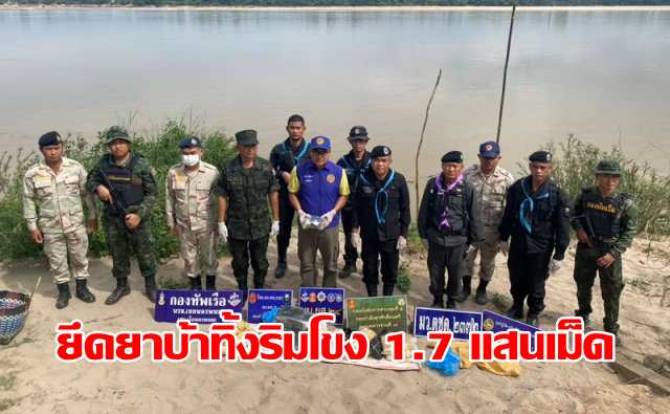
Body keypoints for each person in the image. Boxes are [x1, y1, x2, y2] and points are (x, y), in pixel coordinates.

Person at [22, 131, 97, 309]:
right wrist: (32, 226)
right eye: (49, 149)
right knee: (57, 260)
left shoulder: (75, 168)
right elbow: (28, 200)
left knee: (79, 256)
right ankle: (63, 292)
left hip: (75, 223)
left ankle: (82, 288)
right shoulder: (33, 174)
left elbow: (87, 194)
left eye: (57, 148)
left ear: (62, 148)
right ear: (41, 150)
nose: (53, 152)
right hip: (51, 225)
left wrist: (93, 216)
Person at [87, 126, 158, 305]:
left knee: (145, 253)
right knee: (117, 253)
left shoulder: (141, 164)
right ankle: (122, 286)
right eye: (113, 143)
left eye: (121, 142)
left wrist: (139, 216)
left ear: (128, 144)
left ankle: (151, 286)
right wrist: (98, 187)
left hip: (137, 217)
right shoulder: (103, 164)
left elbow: (152, 194)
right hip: (113, 217)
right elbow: (90, 180)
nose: (117, 146)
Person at [499, 151, 571, 326]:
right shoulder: (518, 187)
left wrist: (559, 254)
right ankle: (517, 306)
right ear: (530, 167)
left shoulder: (557, 193)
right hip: (519, 241)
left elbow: (563, 226)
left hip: (541, 245)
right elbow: (509, 214)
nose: (539, 171)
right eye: (535, 167)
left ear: (550, 169)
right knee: (516, 276)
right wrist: (503, 237)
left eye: (543, 168)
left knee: (536, 281)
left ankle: (533, 312)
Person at [572, 160, 637, 343]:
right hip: (587, 247)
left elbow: (629, 233)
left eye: (615, 177)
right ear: (597, 177)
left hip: (610, 252)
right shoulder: (585, 196)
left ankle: (610, 328)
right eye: (606, 176)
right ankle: (583, 314)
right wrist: (579, 229)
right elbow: (573, 214)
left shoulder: (626, 204)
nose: (610, 181)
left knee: (612, 291)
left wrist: (613, 254)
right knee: (582, 284)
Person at [217, 130, 280, 295]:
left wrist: (276, 220)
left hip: (260, 224)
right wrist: (221, 222)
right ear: (238, 147)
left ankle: (259, 289)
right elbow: (222, 195)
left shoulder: (266, 167)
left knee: (260, 262)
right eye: (246, 146)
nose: (250, 149)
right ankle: (242, 290)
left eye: (253, 146)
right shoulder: (228, 168)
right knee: (239, 262)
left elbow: (273, 192)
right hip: (236, 224)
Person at [418, 151, 483, 309]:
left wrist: (475, 241)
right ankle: (437, 300)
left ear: (461, 167)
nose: (451, 169)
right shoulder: (433, 185)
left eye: (454, 166)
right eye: (447, 166)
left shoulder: (467, 187)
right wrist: (423, 235)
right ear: (442, 166)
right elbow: (424, 211)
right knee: (436, 273)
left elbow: (475, 215)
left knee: (456, 274)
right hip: (436, 238)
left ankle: (452, 301)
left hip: (458, 241)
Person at [288, 136, 349, 287]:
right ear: (311, 152)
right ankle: (309, 292)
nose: (319, 156)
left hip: (329, 226)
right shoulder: (299, 170)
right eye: (316, 152)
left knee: (331, 264)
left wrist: (333, 212)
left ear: (329, 152)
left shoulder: (339, 172)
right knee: (307, 263)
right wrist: (300, 212)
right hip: (306, 225)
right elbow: (292, 193)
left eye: (323, 152)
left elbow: (344, 195)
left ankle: (328, 294)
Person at [353, 145, 410, 296]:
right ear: (371, 161)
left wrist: (403, 234)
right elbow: (356, 207)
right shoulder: (363, 179)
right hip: (369, 234)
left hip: (391, 234)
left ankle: (387, 300)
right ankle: (373, 299)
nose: (380, 164)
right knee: (369, 269)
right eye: (377, 160)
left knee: (390, 270)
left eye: (384, 160)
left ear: (390, 161)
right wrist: (354, 230)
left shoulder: (398, 180)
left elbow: (405, 209)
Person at [462, 140, 514, 304]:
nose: (488, 162)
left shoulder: (506, 179)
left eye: (492, 158)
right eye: (485, 158)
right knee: (466, 259)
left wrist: (505, 236)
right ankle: (465, 288)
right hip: (470, 229)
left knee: (488, 262)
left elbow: (511, 208)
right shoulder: (468, 175)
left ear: (499, 158)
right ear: (479, 157)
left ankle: (482, 289)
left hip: (492, 231)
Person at [166, 136, 220, 290]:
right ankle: (195, 288)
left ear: (201, 152)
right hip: (184, 224)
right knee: (189, 258)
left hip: (206, 224)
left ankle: (210, 288)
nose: (189, 156)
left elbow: (220, 199)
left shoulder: (212, 172)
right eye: (185, 153)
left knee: (210, 256)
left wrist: (220, 222)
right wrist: (171, 222)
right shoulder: (174, 172)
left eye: (192, 153)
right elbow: (170, 197)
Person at [269, 114, 310, 279]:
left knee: (307, 228)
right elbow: (270, 170)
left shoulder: (311, 149)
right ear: (287, 129)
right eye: (292, 128)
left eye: (298, 128)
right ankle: (281, 261)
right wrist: (281, 174)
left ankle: (307, 263)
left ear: (304, 129)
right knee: (283, 229)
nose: (295, 131)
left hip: (305, 195)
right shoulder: (278, 149)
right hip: (284, 195)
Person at [336, 126, 372, 278]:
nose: (358, 144)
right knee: (349, 235)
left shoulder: (373, 160)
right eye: (355, 141)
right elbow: (336, 185)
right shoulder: (343, 162)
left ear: (366, 142)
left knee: (369, 237)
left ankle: (369, 265)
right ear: (350, 142)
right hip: (349, 206)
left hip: (369, 207)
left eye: (361, 141)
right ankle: (350, 263)